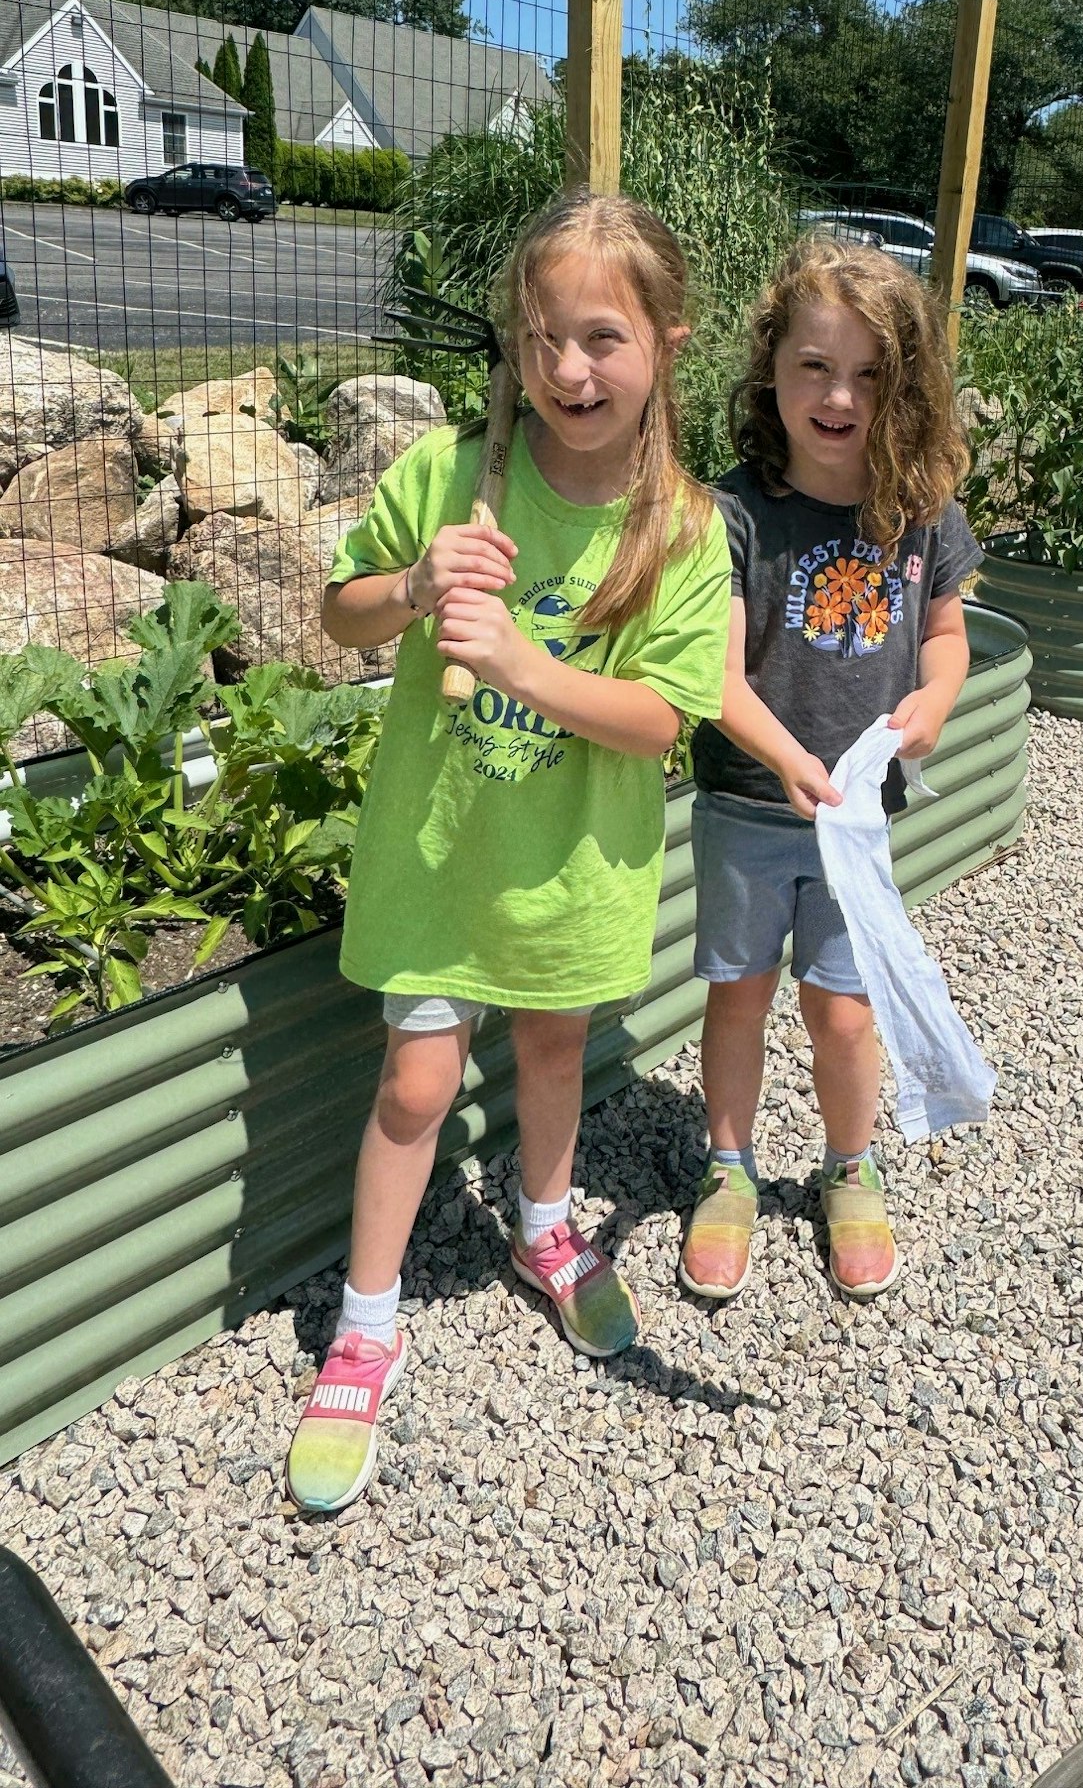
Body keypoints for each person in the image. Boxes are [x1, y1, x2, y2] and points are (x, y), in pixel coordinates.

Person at [287, 191, 731, 1513]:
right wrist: (415, 590)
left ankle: (546, 1227)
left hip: (568, 866)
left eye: (602, 337)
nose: (568, 371)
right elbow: (338, 616)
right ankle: (366, 1326)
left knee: (551, 1050)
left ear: (667, 342)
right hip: (445, 861)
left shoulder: (684, 533)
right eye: (541, 339)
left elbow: (661, 717)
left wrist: (526, 664)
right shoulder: (448, 477)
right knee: (419, 1087)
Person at [681, 236, 982, 1304]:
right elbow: (713, 677)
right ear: (772, 366)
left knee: (845, 1011)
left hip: (857, 822)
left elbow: (946, 636)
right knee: (738, 994)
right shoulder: (730, 515)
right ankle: (728, 1167)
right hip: (748, 806)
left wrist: (936, 699)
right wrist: (788, 759)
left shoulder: (921, 510)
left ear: (904, 385)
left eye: (868, 372)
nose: (839, 394)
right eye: (815, 364)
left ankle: (850, 1166)